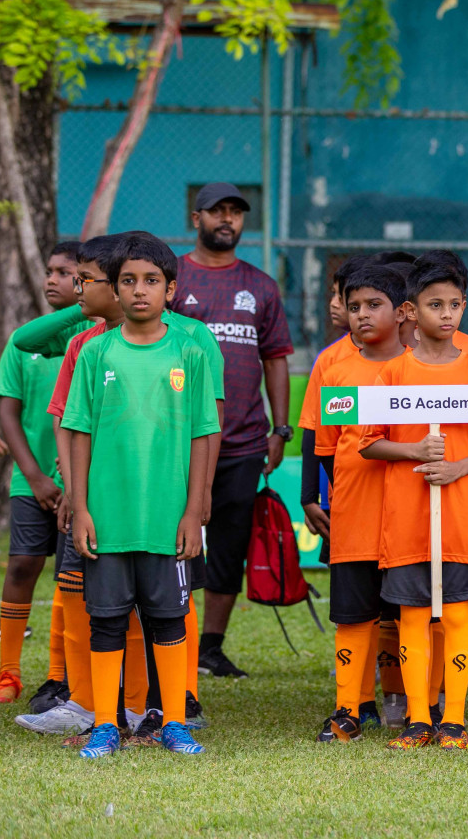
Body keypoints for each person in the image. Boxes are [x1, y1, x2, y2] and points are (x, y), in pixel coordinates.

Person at [12, 235, 223, 744]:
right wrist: (80, 507)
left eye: (151, 281)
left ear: (170, 290)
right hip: (105, 520)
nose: (139, 291)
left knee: (169, 619)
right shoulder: (93, 352)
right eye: (128, 281)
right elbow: (77, 431)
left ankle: (174, 722)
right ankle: (105, 725)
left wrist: (193, 510)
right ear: (116, 289)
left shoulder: (190, 353)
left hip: (166, 520)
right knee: (105, 621)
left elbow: (204, 434)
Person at [361, 252, 468, 751]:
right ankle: (418, 718)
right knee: (411, 617)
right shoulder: (393, 373)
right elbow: (368, 440)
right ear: (411, 310)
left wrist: (458, 469)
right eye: (434, 305)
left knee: (456, 615)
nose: (446, 314)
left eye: (454, 305)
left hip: (461, 516)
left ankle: (455, 719)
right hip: (406, 519)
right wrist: (413, 451)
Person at [170, 182, 294, 678]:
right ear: (195, 218)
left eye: (236, 212)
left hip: (244, 441)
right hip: (178, 440)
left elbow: (276, 358)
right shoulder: (171, 276)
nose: (228, 220)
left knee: (230, 546)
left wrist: (280, 430)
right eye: (217, 211)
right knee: (170, 540)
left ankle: (210, 648)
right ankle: (169, 637)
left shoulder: (260, 285)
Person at [302, 263, 411, 743]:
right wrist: (326, 497)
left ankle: (417, 705)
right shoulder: (337, 369)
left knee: (412, 612)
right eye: (353, 306)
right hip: (355, 517)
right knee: (353, 615)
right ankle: (348, 709)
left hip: (411, 521)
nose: (361, 315)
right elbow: (323, 447)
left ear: (401, 312)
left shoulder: (423, 368)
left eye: (373, 305)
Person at [0, 241, 81, 708]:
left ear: (85, 281)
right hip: (32, 480)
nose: (51, 280)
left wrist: (66, 482)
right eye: (49, 271)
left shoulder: (94, 334)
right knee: (24, 565)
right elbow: (7, 411)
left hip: (78, 485)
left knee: (70, 578)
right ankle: (7, 672)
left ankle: (58, 676)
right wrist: (35, 475)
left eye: (64, 272)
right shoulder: (26, 340)